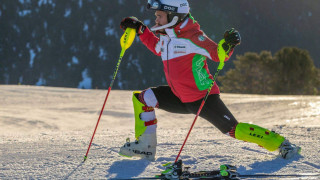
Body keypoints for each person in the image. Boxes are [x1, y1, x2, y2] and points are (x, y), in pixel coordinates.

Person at [118, 0, 300, 162]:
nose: (156, 20)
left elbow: (218, 54)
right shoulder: (167, 37)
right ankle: (145, 148)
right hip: (179, 97)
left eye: (159, 16)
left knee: (233, 130)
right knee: (142, 99)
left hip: (202, 99)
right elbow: (157, 47)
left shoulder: (194, 38)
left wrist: (227, 45)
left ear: (173, 16)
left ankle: (282, 144)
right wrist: (141, 30)